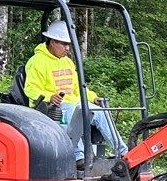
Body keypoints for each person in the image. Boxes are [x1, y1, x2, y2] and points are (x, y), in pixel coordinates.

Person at [21, 19, 124, 155]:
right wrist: (50, 97)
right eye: (64, 44)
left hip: (73, 105)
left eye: (69, 44)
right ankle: (77, 156)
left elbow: (78, 88)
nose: (68, 48)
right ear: (52, 41)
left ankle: (123, 152)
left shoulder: (68, 62)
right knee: (70, 110)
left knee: (100, 111)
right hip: (48, 109)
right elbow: (30, 89)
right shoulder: (37, 62)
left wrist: (94, 98)